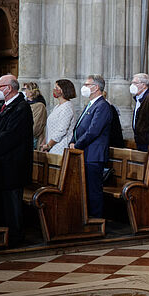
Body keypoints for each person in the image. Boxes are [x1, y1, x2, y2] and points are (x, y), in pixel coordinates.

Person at [0, 74, 33, 244]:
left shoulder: (21, 108)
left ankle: (15, 238)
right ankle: (2, 235)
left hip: (13, 165)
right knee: (0, 204)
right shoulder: (1, 106)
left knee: (12, 205)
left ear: (9, 88)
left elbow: (10, 137)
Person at [70, 75, 112, 218]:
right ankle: (87, 218)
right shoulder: (91, 104)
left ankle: (97, 221)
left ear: (96, 87)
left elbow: (93, 131)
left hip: (94, 155)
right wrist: (72, 140)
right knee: (86, 189)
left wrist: (77, 144)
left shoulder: (103, 106)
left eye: (87, 84)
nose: (84, 87)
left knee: (94, 190)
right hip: (86, 153)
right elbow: (79, 127)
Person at [41, 79, 77, 154]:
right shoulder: (58, 106)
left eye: (56, 88)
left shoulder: (67, 107)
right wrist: (45, 141)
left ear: (63, 90)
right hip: (52, 146)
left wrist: (49, 145)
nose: (54, 90)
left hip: (60, 147)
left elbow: (62, 130)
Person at [21, 82, 47, 149]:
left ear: (31, 92)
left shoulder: (39, 105)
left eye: (25, 89)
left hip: (32, 138)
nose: (23, 91)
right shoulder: (23, 104)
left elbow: (37, 126)